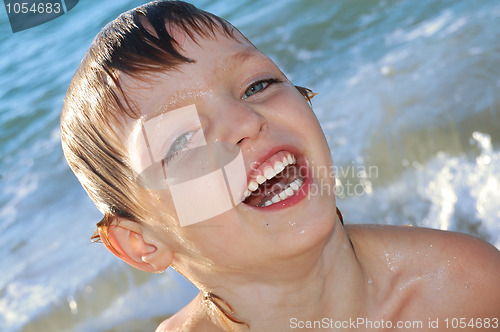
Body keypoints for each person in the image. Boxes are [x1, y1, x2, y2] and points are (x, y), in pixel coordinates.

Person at [61, 1, 500, 330]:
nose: (245, 121)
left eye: (257, 85)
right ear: (140, 241)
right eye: (181, 141)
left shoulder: (464, 289)